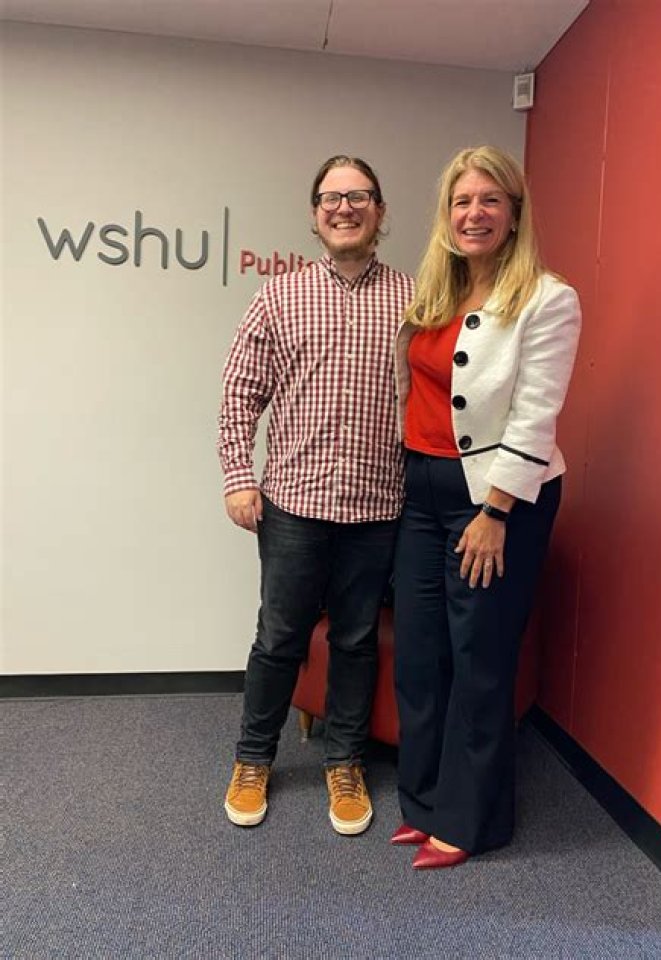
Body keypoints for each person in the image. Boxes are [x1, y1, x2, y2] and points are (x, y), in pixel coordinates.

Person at [391, 146, 581, 869]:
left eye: (489, 200)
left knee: (479, 658)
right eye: (462, 201)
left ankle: (470, 822)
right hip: (423, 490)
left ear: (514, 213)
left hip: (497, 499)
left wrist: (496, 512)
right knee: (421, 653)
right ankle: (425, 802)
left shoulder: (547, 299)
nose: (474, 214)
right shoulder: (435, 294)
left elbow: (536, 414)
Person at [218, 155, 414, 836]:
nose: (344, 207)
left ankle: (345, 761)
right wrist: (238, 477)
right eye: (331, 197)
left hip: (378, 508)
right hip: (294, 508)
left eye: (359, 196)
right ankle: (253, 759)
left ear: (380, 212)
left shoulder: (416, 301)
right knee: (279, 639)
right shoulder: (279, 297)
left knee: (357, 642)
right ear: (314, 214)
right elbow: (239, 394)